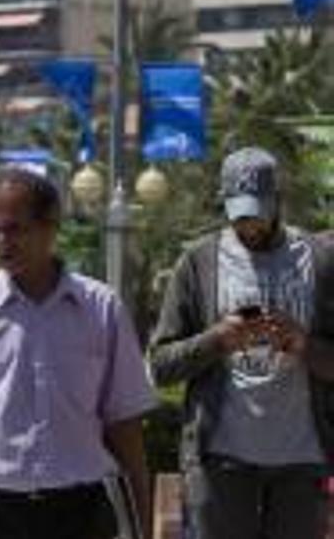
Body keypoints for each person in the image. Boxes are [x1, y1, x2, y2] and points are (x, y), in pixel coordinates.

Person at [0, 166, 158, 539]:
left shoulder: (101, 309)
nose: (2, 242)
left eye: (15, 229)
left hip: (81, 509)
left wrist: (141, 520)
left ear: (50, 227)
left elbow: (124, 423)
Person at [148, 148, 334, 539]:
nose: (249, 226)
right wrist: (218, 339)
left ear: (278, 202)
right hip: (221, 463)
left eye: (258, 213)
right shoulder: (199, 263)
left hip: (303, 463)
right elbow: (160, 366)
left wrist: (303, 343)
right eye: (240, 214)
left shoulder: (320, 260)